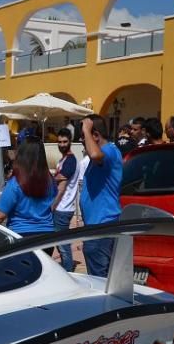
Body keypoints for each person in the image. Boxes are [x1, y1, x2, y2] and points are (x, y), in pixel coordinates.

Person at [80, 114, 124, 277]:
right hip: (97, 225)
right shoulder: (105, 153)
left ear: (96, 136)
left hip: (101, 225)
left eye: (84, 137)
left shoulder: (109, 151)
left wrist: (86, 129)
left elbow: (95, 155)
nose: (83, 141)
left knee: (100, 281)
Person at [0, 140, 56, 237]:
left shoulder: (16, 183)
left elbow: (0, 215)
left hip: (22, 236)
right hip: (47, 235)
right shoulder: (50, 180)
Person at [51, 128, 83, 271]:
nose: (62, 144)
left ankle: (68, 271)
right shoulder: (64, 159)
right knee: (60, 243)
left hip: (62, 208)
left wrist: (53, 206)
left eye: (65, 141)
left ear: (70, 141)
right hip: (63, 207)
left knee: (62, 245)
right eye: (59, 142)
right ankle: (67, 268)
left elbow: (62, 187)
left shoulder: (70, 161)